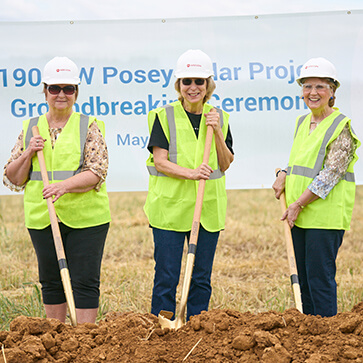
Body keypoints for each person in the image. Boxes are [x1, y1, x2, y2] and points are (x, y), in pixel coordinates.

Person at [3, 56, 111, 324]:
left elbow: (97, 171)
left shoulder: (89, 125)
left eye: (68, 89)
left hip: (87, 218)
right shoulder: (31, 127)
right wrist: (29, 152)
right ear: (45, 91)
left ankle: (83, 341)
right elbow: (13, 177)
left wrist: (63, 187)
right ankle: (58, 339)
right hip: (42, 218)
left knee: (84, 281)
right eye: (55, 88)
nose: (61, 95)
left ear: (76, 92)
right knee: (51, 280)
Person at [144, 49, 234, 321]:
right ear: (178, 86)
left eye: (199, 81)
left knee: (201, 277)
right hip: (169, 210)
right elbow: (160, 161)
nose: (193, 88)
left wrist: (217, 130)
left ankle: (197, 328)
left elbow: (226, 161)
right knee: (167, 276)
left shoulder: (220, 117)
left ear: (208, 85)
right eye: (187, 82)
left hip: (207, 209)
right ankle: (163, 330)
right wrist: (192, 173)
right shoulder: (163, 115)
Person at [272, 57, 360, 317]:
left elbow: (330, 175)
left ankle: (326, 340)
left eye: (320, 86)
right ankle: (307, 334)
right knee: (304, 280)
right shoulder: (302, 122)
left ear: (332, 91)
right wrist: (284, 174)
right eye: (307, 87)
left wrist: (298, 204)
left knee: (320, 281)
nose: (313, 93)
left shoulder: (341, 126)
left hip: (324, 218)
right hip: (299, 215)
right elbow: (301, 161)